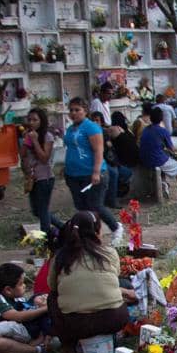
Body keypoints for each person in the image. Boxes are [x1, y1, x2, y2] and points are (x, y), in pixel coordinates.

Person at [47, 211, 131, 353]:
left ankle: (68, 345)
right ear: (97, 231)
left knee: (52, 297)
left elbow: (52, 286)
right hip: (114, 319)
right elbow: (114, 277)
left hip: (76, 325)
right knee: (120, 284)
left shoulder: (60, 257)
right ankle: (114, 335)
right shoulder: (109, 252)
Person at [63, 97, 121, 243]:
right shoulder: (71, 128)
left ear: (85, 111)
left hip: (92, 173)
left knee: (95, 205)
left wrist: (96, 172)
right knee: (81, 207)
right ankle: (90, 235)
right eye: (71, 110)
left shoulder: (91, 127)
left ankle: (115, 227)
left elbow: (98, 151)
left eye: (77, 110)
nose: (74, 113)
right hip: (73, 174)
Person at [140, 105, 177, 200]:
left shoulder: (145, 130)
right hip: (156, 160)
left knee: (164, 162)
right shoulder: (163, 131)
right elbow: (172, 149)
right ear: (161, 119)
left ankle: (163, 184)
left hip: (145, 159)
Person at [22, 108, 57, 234]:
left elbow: (44, 158)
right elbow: (23, 155)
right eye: (29, 119)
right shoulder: (28, 135)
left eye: (35, 120)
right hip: (33, 178)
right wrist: (25, 141)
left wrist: (36, 141)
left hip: (45, 178)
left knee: (42, 210)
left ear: (42, 121)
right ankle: (63, 227)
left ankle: (46, 242)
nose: (31, 122)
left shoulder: (47, 136)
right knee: (37, 211)